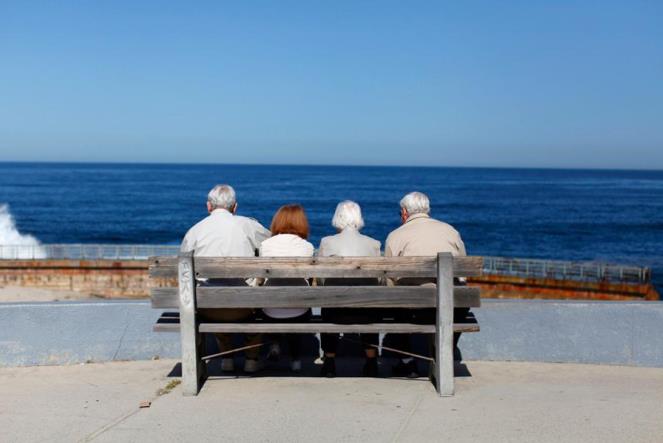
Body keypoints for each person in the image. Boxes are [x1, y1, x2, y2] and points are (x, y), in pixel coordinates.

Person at [180, 184, 270, 374]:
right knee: (255, 299)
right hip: (244, 307)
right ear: (235, 207)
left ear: (208, 206)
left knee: (214, 291)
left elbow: (184, 269)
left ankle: (227, 359)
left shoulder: (195, 231)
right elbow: (272, 245)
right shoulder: (248, 225)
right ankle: (251, 360)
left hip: (209, 308)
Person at [384, 191, 467, 378]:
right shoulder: (450, 231)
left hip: (414, 307)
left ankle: (407, 363)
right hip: (451, 305)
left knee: (394, 302)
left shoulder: (396, 235)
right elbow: (462, 271)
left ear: (405, 212)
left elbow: (389, 279)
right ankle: (442, 354)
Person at [318, 200, 382, 377]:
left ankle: (329, 362)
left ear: (337, 218)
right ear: (358, 218)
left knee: (328, 304)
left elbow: (321, 278)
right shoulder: (373, 244)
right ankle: (371, 363)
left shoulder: (326, 242)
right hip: (366, 311)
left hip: (336, 311)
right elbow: (379, 279)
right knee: (371, 303)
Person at [259, 204, 315, 372]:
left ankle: (275, 343)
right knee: (297, 305)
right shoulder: (308, 247)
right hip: (299, 310)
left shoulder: (265, 245)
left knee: (270, 302)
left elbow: (260, 279)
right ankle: (296, 360)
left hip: (270, 311)